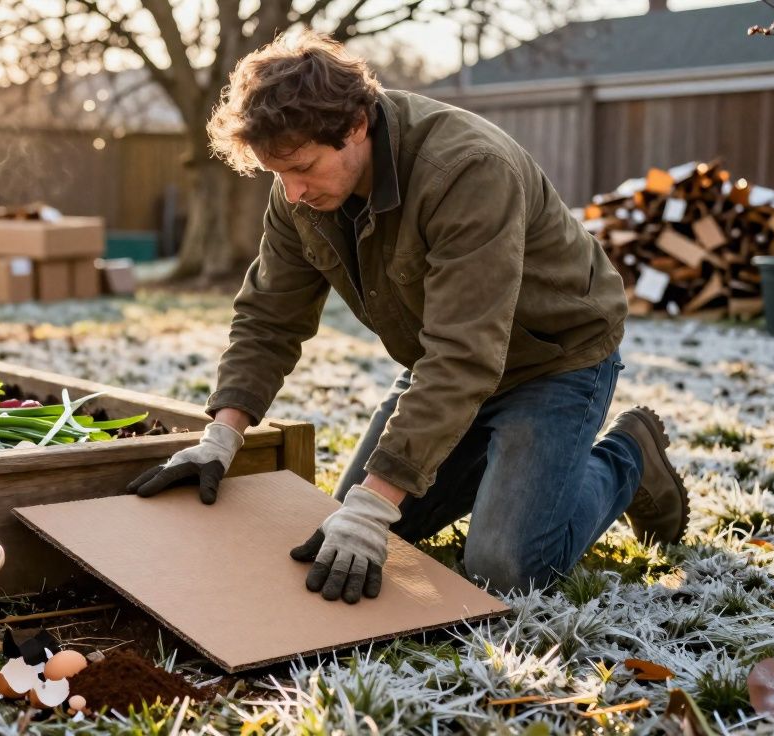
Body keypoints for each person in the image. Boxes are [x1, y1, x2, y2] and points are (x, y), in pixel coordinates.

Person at [126, 30, 689, 604]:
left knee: (506, 566)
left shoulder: (468, 171)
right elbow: (270, 314)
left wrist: (377, 502)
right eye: (277, 173)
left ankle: (628, 458)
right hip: (440, 367)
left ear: (354, 127)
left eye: (301, 168)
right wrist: (222, 434)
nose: (292, 192)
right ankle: (499, 468)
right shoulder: (299, 194)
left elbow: (464, 355)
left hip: (553, 359)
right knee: (349, 532)